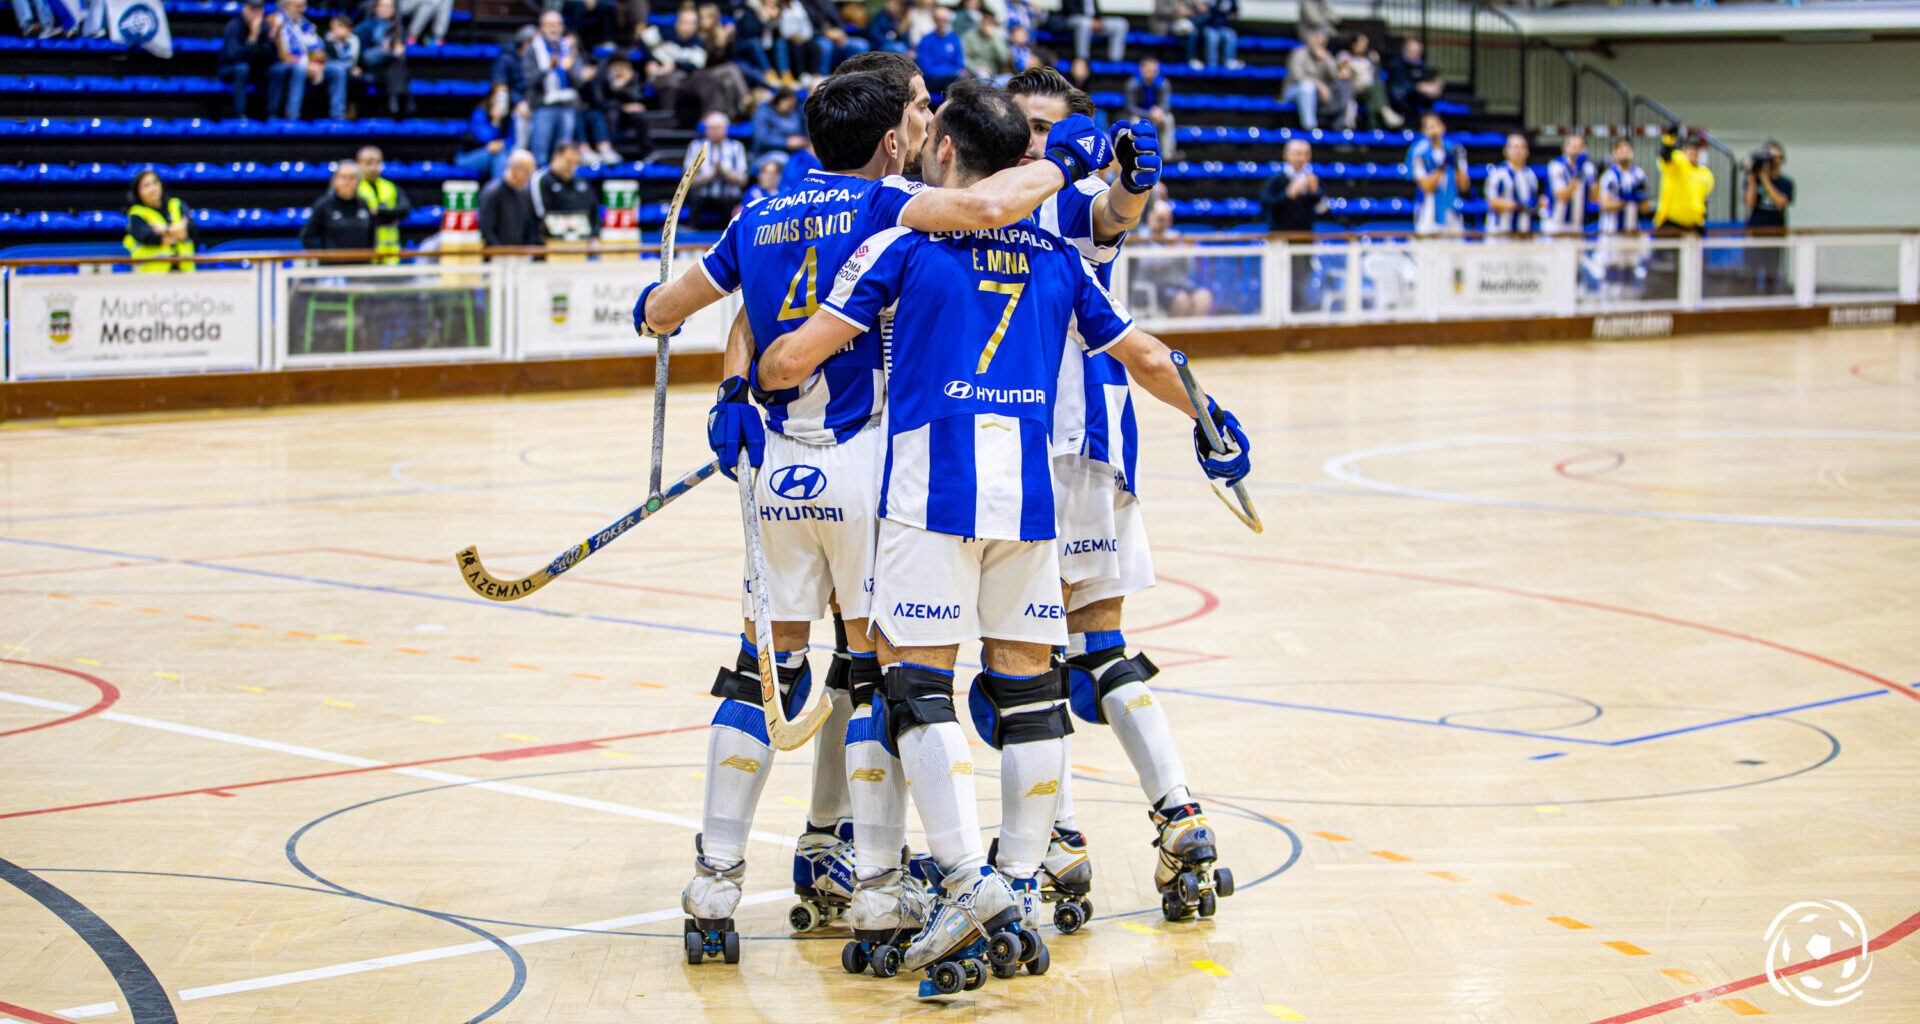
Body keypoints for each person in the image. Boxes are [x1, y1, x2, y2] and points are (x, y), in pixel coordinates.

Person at [633, 56, 1119, 964]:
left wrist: (722, 371)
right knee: (874, 672)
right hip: (865, 465)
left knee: (760, 668)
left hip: (773, 471)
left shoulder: (758, 209)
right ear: (892, 139)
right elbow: (983, 210)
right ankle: (881, 888)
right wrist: (1071, 163)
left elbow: (673, 309)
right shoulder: (888, 206)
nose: (927, 120)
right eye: (917, 110)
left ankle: (715, 882)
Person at [757, 80, 1248, 972]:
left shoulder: (900, 241)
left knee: (915, 687)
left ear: (944, 155)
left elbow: (794, 358)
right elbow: (1145, 355)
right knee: (1030, 693)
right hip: (1030, 503)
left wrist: (758, 382)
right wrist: (1211, 416)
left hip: (928, 497)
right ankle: (1019, 881)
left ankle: (959, 879)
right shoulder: (1062, 262)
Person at [1001, 65, 1230, 934]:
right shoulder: (1004, 195)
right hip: (1098, 441)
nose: (1034, 145)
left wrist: (1131, 183)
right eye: (1023, 127)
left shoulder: (1049, 201)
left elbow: (1109, 215)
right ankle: (1180, 815)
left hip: (1046, 450)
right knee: (1103, 648)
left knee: (1029, 662)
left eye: (1050, 132)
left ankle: (1055, 837)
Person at [266, 0, 340, 120]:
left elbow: (319, 51)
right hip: (283, 66)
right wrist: (306, 66)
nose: (302, 9)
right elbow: (282, 55)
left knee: (336, 69)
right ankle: (292, 117)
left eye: (304, 6)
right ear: (286, 6)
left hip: (309, 65)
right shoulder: (275, 21)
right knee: (299, 70)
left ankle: (337, 117)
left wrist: (315, 65)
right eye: (298, 6)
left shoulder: (305, 23)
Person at [525, 12, 582, 167]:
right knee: (540, 155)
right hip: (544, 106)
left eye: (558, 25)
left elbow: (579, 81)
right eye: (550, 25)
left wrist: (570, 70)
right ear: (542, 27)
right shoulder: (533, 49)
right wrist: (546, 69)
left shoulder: (569, 49)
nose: (554, 29)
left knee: (564, 155)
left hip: (567, 107)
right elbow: (529, 81)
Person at [1135, 201, 1211, 316]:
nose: (1165, 224)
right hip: (1155, 286)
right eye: (1161, 219)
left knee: (1203, 296)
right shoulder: (1141, 237)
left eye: (1168, 220)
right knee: (1181, 299)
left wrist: (1188, 251)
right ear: (1150, 218)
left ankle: (1193, 333)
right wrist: (1174, 252)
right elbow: (1146, 264)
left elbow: (1190, 267)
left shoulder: (1173, 235)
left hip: (1180, 284)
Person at [1597, 138, 1648, 300]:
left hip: (1632, 232)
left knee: (1630, 270)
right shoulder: (1609, 176)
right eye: (1619, 150)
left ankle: (1628, 306)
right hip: (1613, 232)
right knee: (1611, 270)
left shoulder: (1639, 175)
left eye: (1626, 150)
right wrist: (1626, 200)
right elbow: (1604, 205)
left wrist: (1638, 199)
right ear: (1613, 154)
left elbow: (1646, 207)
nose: (1623, 153)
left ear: (1632, 153)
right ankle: (1608, 306)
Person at [684, 111, 750, 227]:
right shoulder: (695, 146)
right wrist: (712, 173)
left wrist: (723, 171)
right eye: (710, 128)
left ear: (725, 129)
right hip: (701, 196)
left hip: (728, 197)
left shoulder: (736, 147)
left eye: (717, 128)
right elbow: (688, 181)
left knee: (730, 202)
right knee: (695, 199)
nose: (714, 131)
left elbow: (742, 179)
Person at [123, 170, 197, 273]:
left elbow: (191, 229)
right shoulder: (136, 214)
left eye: (155, 183)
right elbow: (148, 237)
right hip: (152, 275)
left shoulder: (176, 204)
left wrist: (163, 229)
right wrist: (176, 231)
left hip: (184, 271)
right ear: (138, 192)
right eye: (146, 186)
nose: (153, 189)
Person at [1744, 139, 1792, 290]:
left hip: (1775, 234)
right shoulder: (1754, 179)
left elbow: (1780, 203)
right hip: (1755, 232)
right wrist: (1753, 177)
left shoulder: (1786, 183)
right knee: (1750, 274)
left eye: (1775, 158)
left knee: (1771, 274)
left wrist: (1765, 179)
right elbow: (1750, 203)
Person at [1408, 111, 1467, 235]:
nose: (1434, 130)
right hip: (1428, 212)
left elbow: (1464, 186)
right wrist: (1443, 167)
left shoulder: (1456, 149)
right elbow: (1426, 186)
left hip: (1451, 209)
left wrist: (1456, 166)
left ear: (1443, 127)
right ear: (1424, 131)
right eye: (1429, 127)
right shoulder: (1418, 152)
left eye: (1436, 125)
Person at [582, 55, 648, 163]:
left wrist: (624, 84)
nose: (620, 68)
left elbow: (637, 98)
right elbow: (599, 102)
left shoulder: (631, 77)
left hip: (624, 114)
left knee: (639, 115)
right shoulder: (602, 77)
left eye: (624, 66)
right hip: (607, 112)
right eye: (617, 65)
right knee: (612, 114)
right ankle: (610, 150)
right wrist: (621, 104)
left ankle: (648, 152)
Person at [217, 0, 274, 120]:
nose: (257, 13)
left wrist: (273, 40)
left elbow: (269, 55)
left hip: (254, 68)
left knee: (276, 70)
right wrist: (252, 39)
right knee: (242, 68)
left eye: (260, 9)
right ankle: (241, 115)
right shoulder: (234, 26)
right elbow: (233, 55)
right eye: (253, 9)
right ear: (245, 9)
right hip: (229, 68)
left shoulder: (264, 27)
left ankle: (272, 115)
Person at [531, 141, 599, 241]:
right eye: (568, 161)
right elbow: (540, 214)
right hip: (551, 242)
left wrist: (594, 236)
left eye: (575, 163)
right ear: (556, 157)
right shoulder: (541, 179)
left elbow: (595, 213)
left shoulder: (582, 182)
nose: (572, 167)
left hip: (581, 244)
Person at [299, 162, 375, 252]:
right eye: (343, 177)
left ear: (359, 181)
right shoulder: (324, 204)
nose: (347, 182)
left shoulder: (364, 204)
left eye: (352, 177)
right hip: (333, 264)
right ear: (335, 180)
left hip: (362, 263)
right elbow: (307, 235)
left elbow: (372, 235)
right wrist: (321, 257)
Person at [354, 146, 412, 261]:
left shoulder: (391, 186)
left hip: (391, 251)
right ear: (358, 164)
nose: (373, 167)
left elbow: (404, 210)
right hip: (365, 251)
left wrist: (378, 212)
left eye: (377, 162)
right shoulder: (354, 187)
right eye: (368, 163)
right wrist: (389, 215)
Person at [355, 0, 412, 117]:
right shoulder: (366, 26)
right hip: (370, 67)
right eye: (384, 6)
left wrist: (391, 53)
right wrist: (387, 53)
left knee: (397, 64)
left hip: (389, 70)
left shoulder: (397, 29)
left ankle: (395, 100)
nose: (386, 9)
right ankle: (398, 100)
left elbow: (401, 55)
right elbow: (365, 57)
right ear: (376, 8)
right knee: (396, 63)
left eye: (389, 6)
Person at [1654, 126, 1713, 234]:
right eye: (1688, 148)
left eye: (1695, 149)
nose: (1692, 152)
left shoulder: (1706, 173)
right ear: (1683, 150)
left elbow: (1704, 199)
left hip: (1694, 226)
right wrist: (1669, 139)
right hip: (1671, 223)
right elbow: (1665, 157)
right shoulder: (1677, 162)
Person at [478, 149, 542, 246]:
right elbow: (486, 230)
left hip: (522, 255)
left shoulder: (526, 194)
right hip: (497, 255)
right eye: (527, 171)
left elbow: (531, 227)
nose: (529, 176)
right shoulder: (492, 192)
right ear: (513, 168)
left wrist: (527, 249)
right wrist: (503, 252)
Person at [1286, 30, 1346, 131]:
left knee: (1341, 87)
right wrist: (1319, 85)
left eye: (1322, 41)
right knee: (1307, 87)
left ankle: (1340, 126)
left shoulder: (1325, 56)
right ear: (1310, 40)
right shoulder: (1299, 53)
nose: (1319, 43)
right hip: (1294, 90)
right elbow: (1298, 77)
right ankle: (1310, 127)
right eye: (1316, 39)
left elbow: (1335, 77)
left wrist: (1327, 60)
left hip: (1318, 94)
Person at [1259, 138, 1322, 233]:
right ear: (1286, 155)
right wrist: (1288, 195)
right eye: (1298, 153)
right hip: (1280, 235)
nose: (1302, 158)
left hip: (1305, 236)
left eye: (1306, 154)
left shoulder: (1312, 179)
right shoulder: (1275, 180)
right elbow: (1266, 205)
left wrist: (1315, 193)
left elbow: (1322, 210)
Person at [1483, 132, 1541, 236]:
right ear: (1506, 151)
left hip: (1524, 231)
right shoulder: (1498, 174)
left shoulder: (1531, 175)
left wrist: (1539, 204)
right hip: (1500, 232)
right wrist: (1518, 205)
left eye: (1522, 147)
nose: (1518, 150)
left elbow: (1533, 204)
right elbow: (1492, 201)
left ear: (1527, 151)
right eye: (1515, 147)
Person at [457, 83, 515, 180]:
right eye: (499, 97)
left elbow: (513, 140)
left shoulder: (509, 116)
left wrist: (502, 144)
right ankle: (500, 190)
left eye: (505, 97)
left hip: (498, 154)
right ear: (492, 98)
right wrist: (495, 121)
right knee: (497, 156)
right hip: (469, 156)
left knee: (504, 156)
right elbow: (485, 140)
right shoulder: (479, 114)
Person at [1124, 56, 1177, 159]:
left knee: (1169, 119)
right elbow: (1130, 107)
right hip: (1139, 114)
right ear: (1141, 69)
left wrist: (1160, 111)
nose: (1150, 71)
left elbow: (1166, 103)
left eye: (1153, 69)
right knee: (1134, 121)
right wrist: (1149, 114)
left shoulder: (1163, 83)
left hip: (1157, 115)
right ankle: (1139, 153)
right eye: (1147, 69)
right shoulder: (1132, 84)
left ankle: (1167, 154)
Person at [1338, 32, 1392, 129]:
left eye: (1365, 44)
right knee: (1374, 92)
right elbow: (1342, 74)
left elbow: (1376, 77)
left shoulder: (1369, 59)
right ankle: (1386, 111)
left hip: (1368, 90)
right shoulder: (1345, 56)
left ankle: (1374, 129)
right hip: (1351, 88)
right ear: (1353, 44)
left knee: (1375, 92)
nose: (1363, 47)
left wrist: (1376, 63)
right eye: (1361, 44)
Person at [737, 0, 797, 87]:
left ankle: (785, 74)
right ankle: (769, 73)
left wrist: (775, 20)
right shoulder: (750, 7)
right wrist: (763, 19)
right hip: (746, 45)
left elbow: (780, 34)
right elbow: (750, 31)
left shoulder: (775, 9)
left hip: (765, 46)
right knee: (755, 43)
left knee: (780, 42)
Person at [1545, 133, 1594, 236]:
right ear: (1565, 148)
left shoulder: (1588, 167)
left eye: (1580, 147)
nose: (1577, 150)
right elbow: (1563, 196)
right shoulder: (1556, 166)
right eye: (1573, 147)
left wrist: (1594, 179)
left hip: (1578, 224)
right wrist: (1577, 174)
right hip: (1557, 224)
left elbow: (1594, 198)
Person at [1385, 37, 1443, 122]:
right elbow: (1399, 85)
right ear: (1405, 50)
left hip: (1418, 99)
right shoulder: (1396, 64)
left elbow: (1430, 76)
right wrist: (1419, 87)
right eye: (1412, 52)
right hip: (1401, 101)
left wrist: (1436, 84)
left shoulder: (1420, 64)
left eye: (1418, 52)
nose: (1415, 55)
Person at [914, 5, 963, 93]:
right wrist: (950, 72)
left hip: (952, 79)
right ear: (934, 20)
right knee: (955, 81)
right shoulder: (926, 40)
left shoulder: (955, 39)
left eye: (944, 19)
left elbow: (959, 64)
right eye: (938, 19)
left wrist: (952, 72)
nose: (941, 22)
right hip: (932, 80)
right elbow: (926, 68)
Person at [1058, 0, 1126, 63]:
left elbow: (1095, 11)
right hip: (1073, 19)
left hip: (1092, 21)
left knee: (1121, 24)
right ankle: (1082, 58)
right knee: (1085, 23)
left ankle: (1116, 60)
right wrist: (1091, 21)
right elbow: (1069, 10)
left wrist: (1098, 21)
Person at [750, 87, 806, 158]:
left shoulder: (794, 115)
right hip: (766, 154)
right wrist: (786, 142)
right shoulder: (763, 113)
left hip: (794, 153)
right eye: (789, 105)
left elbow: (802, 134)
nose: (791, 109)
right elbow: (761, 139)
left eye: (793, 106)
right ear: (780, 100)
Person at [322, 17, 361, 116]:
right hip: (329, 68)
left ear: (348, 29)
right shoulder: (327, 39)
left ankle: (353, 110)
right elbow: (330, 59)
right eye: (333, 27)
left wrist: (344, 42)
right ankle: (337, 113)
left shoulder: (353, 40)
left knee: (361, 77)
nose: (335, 30)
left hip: (348, 68)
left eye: (339, 27)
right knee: (338, 70)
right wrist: (335, 41)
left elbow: (353, 59)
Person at [962, 9, 1011, 82]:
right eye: (986, 23)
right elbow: (963, 58)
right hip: (975, 73)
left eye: (991, 23)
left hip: (994, 75)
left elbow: (1004, 59)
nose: (988, 26)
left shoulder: (997, 38)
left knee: (1010, 78)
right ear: (981, 23)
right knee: (984, 77)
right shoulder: (969, 36)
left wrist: (994, 39)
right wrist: (976, 68)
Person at [1151, 0, 1201, 67]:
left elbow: (1196, 11)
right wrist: (1177, 10)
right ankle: (1173, 60)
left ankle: (1189, 59)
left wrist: (1189, 12)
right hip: (1166, 25)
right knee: (1183, 32)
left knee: (1193, 32)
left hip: (1185, 24)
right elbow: (1160, 10)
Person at [1199, 0, 1238, 70]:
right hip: (1207, 26)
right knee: (1212, 37)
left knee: (1230, 35)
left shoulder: (1230, 1)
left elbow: (1234, 12)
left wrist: (1229, 14)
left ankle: (1229, 61)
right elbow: (1203, 14)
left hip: (1222, 27)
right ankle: (1212, 63)